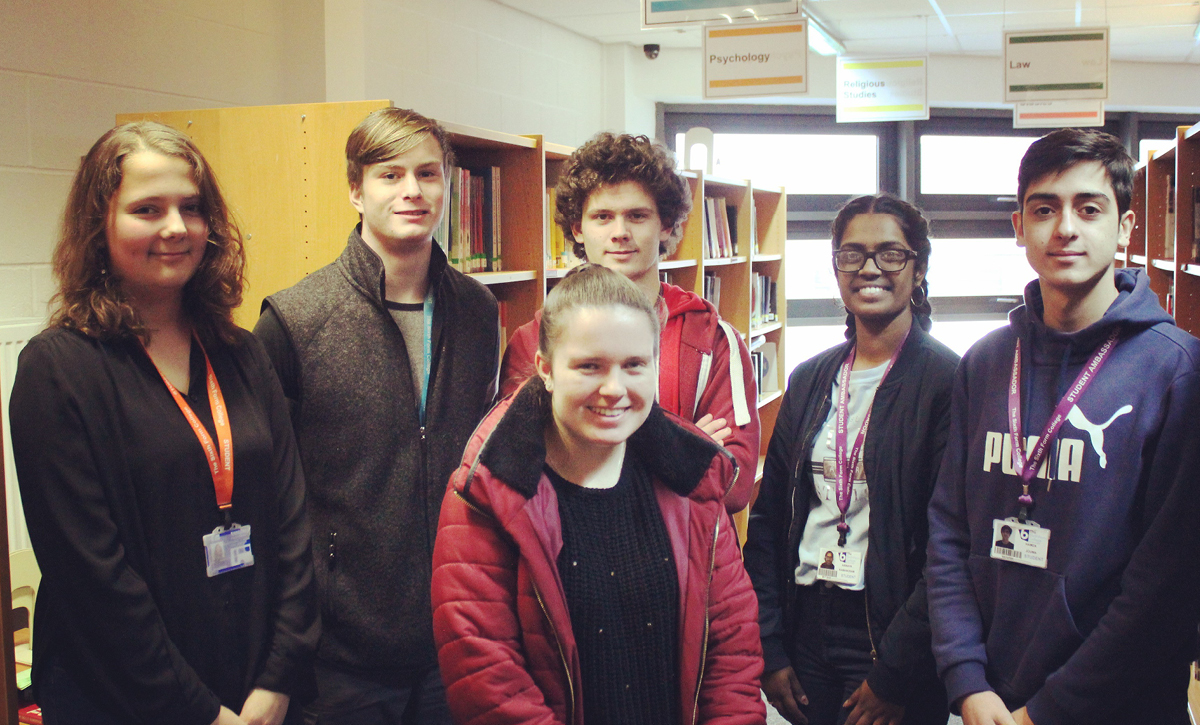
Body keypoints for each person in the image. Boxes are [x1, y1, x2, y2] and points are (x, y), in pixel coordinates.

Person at [9, 121, 318, 725]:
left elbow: (292, 523)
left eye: (191, 208)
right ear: (98, 225)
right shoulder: (57, 371)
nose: (176, 228)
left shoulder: (241, 352)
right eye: (147, 209)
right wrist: (201, 713)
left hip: (261, 693)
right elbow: (92, 580)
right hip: (128, 700)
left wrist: (279, 680)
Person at [926, 128, 1200, 725]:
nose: (1065, 228)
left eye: (1089, 208)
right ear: (1019, 227)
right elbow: (949, 528)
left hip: (1121, 706)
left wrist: (1046, 712)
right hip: (990, 701)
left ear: (1126, 227)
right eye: (1044, 208)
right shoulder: (986, 362)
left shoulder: (1177, 370)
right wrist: (967, 681)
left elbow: (1166, 583)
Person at [431, 264, 765, 725]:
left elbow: (731, 654)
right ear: (546, 370)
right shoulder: (488, 495)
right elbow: (487, 678)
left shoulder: (691, 483)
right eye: (589, 366)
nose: (614, 389)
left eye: (634, 365)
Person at [253, 107, 499, 724]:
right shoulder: (295, 320)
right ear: (355, 190)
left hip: (455, 639)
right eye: (390, 175)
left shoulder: (478, 311)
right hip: (340, 656)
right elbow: (267, 498)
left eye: (428, 173)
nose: (412, 191)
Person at [746, 194, 957, 725]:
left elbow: (949, 546)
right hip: (806, 622)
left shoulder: (948, 382)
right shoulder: (811, 379)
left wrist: (897, 671)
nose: (869, 268)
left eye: (890, 254)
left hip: (891, 633)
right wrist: (769, 645)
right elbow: (770, 519)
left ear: (919, 267)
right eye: (852, 254)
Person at [497, 132, 760, 513]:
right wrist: (686, 449)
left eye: (637, 216)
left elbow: (733, 485)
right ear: (577, 229)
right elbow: (522, 476)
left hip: (685, 563)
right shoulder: (535, 341)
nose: (620, 232)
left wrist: (593, 454)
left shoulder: (713, 339)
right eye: (602, 217)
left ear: (667, 225)